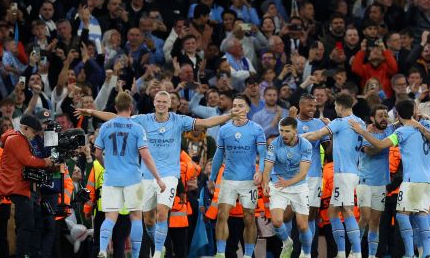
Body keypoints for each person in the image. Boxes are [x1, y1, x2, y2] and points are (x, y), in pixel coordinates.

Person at [76, 90, 241, 258]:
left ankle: (156, 253)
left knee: (162, 211)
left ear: (170, 105)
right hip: (146, 176)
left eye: (164, 101)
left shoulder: (179, 120)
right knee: (148, 220)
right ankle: (158, 244)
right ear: (154, 103)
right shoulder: (143, 120)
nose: (161, 104)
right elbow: (117, 118)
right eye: (158, 101)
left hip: (168, 175)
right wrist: (91, 112)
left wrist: (228, 116)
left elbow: (206, 123)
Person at [349, 99, 430, 258]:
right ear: (414, 111)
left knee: (402, 215)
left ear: (397, 115)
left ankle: (410, 254)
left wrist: (362, 131)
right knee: (422, 214)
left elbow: (380, 145)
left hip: (413, 179)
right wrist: (422, 120)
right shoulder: (428, 125)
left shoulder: (402, 132)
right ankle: (428, 253)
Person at [93, 91, 166, 258]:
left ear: (116, 107)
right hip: (133, 178)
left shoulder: (105, 126)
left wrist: (107, 167)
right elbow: (146, 156)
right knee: (135, 217)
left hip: (111, 179)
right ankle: (134, 255)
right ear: (131, 108)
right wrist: (158, 179)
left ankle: (103, 249)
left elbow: (97, 154)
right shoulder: (137, 128)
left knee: (110, 217)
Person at [301, 92, 365, 258]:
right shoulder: (360, 122)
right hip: (353, 171)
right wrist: (332, 127)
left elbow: (315, 135)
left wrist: (296, 137)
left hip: (343, 173)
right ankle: (342, 252)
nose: (334, 108)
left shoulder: (340, 122)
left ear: (340, 106)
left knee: (347, 210)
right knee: (332, 211)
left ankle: (356, 252)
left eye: (335, 105)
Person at [209, 94, 266, 258]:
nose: (236, 108)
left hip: (249, 180)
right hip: (228, 180)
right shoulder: (225, 129)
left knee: (249, 218)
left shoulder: (256, 129)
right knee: (222, 215)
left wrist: (260, 171)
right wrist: (212, 177)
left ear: (247, 109)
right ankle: (220, 253)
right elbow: (219, 155)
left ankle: (248, 255)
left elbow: (262, 154)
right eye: (234, 105)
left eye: (240, 106)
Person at [0, 114, 54, 257]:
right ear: (25, 128)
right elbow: (28, 160)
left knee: (28, 226)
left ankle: (24, 253)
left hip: (18, 188)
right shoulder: (16, 139)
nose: (34, 136)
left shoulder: (18, 138)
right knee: (25, 226)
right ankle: (21, 255)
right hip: (15, 189)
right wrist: (46, 162)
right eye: (34, 132)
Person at [262, 116, 313, 258]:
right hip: (279, 185)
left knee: (303, 226)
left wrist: (288, 183)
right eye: (281, 131)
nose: (283, 134)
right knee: (277, 221)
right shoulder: (274, 144)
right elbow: (267, 168)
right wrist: (265, 183)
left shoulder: (306, 145)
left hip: (299, 186)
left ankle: (306, 253)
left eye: (287, 131)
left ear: (295, 131)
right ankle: (287, 242)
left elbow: (303, 173)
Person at [289, 93, 330, 256]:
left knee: (311, 215)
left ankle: (310, 252)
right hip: (292, 175)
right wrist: (291, 121)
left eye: (315, 106)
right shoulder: (288, 122)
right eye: (310, 106)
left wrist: (332, 132)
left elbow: (328, 151)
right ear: (300, 106)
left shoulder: (319, 124)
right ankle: (294, 251)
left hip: (313, 175)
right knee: (291, 215)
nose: (313, 109)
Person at [356, 104, 395, 258]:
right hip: (365, 180)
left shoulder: (390, 130)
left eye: (386, 115)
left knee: (376, 221)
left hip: (381, 182)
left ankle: (372, 255)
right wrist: (384, 145)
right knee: (365, 217)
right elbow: (370, 151)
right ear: (372, 118)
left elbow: (404, 118)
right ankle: (355, 251)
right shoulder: (364, 132)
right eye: (380, 115)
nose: (384, 118)